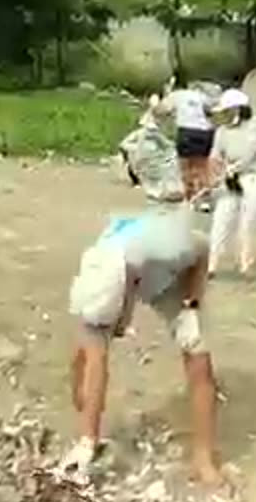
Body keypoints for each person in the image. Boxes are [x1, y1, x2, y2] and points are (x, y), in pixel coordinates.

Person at [68, 207, 223, 487]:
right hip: (119, 271)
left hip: (170, 283)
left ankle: (203, 459)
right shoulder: (100, 267)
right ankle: (84, 428)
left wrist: (192, 304)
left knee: (198, 356)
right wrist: (88, 441)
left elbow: (202, 251)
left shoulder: (178, 247)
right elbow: (99, 357)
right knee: (91, 349)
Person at [207, 88, 256, 276]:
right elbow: (215, 157)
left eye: (227, 111)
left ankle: (245, 264)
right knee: (221, 220)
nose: (224, 115)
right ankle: (212, 264)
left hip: (254, 177)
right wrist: (220, 172)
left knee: (247, 224)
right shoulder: (222, 132)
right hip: (231, 179)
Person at [162, 72, 217, 206]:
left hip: (186, 131)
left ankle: (190, 197)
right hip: (205, 132)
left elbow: (161, 111)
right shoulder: (201, 96)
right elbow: (211, 111)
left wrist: (163, 97)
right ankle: (205, 198)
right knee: (202, 166)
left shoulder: (175, 95)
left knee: (185, 166)